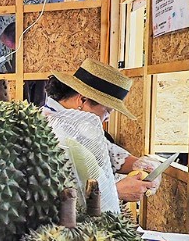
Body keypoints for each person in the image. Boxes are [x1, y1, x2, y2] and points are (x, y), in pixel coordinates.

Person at [43, 59, 157, 203]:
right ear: (83, 100)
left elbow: (106, 152)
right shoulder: (50, 130)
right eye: (107, 111)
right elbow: (51, 197)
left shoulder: (77, 126)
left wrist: (143, 165)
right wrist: (115, 192)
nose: (107, 118)